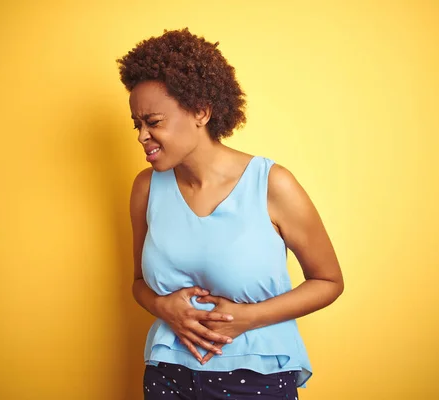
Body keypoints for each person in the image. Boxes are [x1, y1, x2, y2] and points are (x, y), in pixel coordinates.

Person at [117, 28, 344, 399]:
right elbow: (139, 283)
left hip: (257, 377)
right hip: (167, 375)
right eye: (137, 125)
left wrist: (247, 319)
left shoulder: (272, 184)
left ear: (201, 112)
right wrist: (163, 307)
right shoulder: (146, 188)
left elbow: (329, 282)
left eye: (153, 122)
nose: (142, 136)